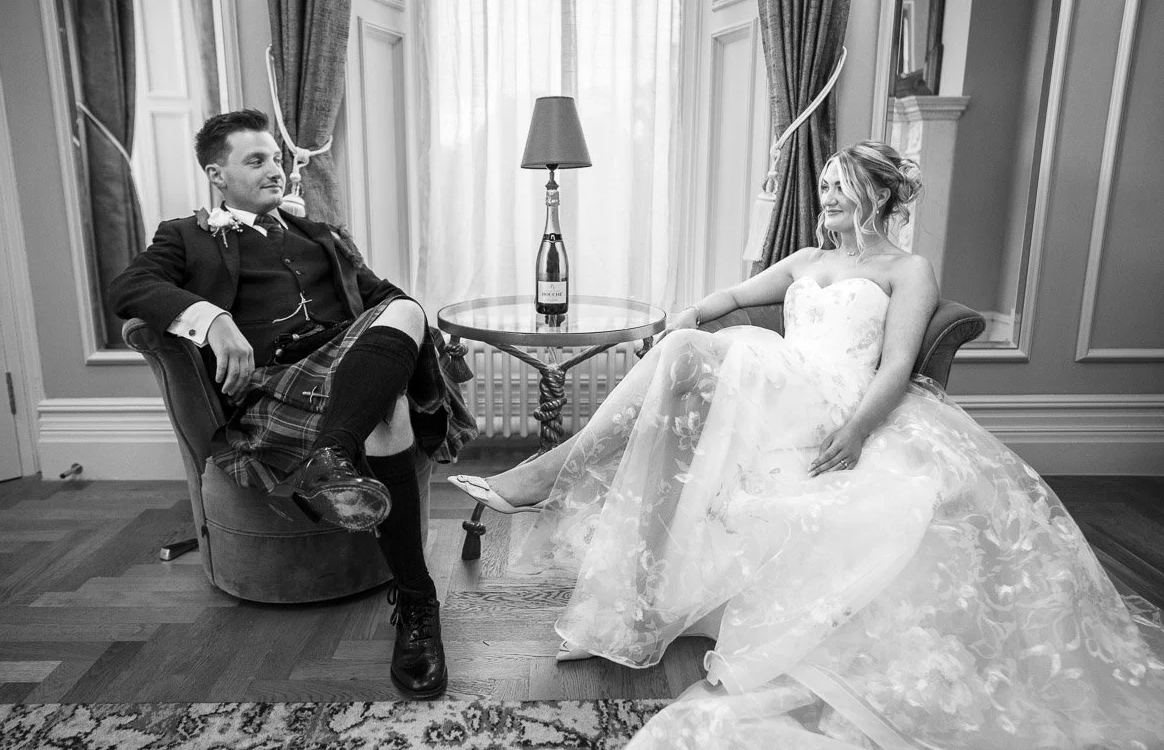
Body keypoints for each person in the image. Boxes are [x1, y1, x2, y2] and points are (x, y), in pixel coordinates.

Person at [449, 141, 1164, 747]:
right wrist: (691, 316)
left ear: (880, 194)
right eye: (821, 186)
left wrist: (856, 432)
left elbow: (895, 365)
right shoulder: (800, 258)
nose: (825, 196)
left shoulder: (905, 271)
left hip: (836, 398)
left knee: (707, 351)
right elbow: (728, 299)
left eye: (839, 186)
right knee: (689, 343)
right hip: (778, 389)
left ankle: (551, 471)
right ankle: (557, 473)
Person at [110, 109, 475, 700]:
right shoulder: (186, 235)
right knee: (392, 410)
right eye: (255, 160)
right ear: (216, 175)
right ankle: (415, 597)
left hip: (345, 370)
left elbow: (386, 299)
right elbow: (129, 288)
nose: (274, 169)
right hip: (273, 386)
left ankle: (406, 587)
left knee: (406, 311)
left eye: (275, 158)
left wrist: (393, 324)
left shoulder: (319, 235)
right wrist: (212, 316)